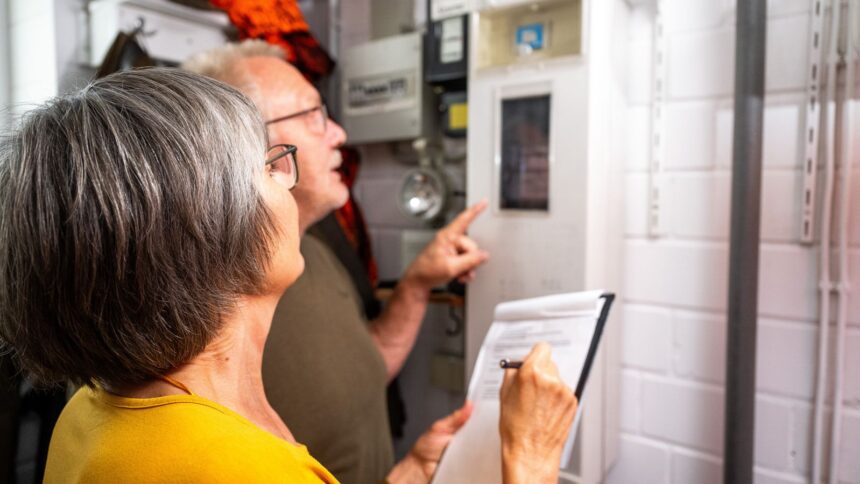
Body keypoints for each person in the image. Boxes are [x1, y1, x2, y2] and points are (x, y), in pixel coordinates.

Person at [0, 67, 576, 483]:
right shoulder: (241, 468)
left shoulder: (87, 414)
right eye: (267, 167)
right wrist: (530, 459)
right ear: (210, 229)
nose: (285, 180)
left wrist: (407, 473)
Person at [185, 41, 491, 483]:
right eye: (313, 115)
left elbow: (365, 369)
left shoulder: (314, 251)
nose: (339, 134)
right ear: (247, 147)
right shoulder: (205, 303)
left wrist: (417, 284)